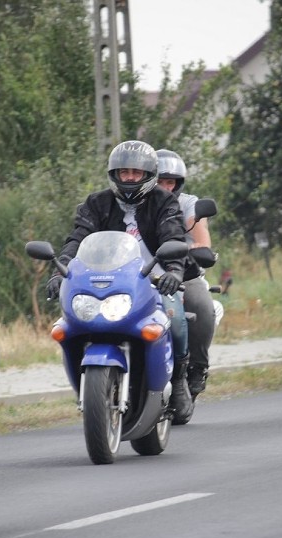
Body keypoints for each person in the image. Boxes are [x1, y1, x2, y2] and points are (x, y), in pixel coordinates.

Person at [46, 140, 193, 421]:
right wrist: (59, 272)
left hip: (155, 276)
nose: (129, 178)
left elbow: (173, 237)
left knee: (174, 320)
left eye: (136, 173)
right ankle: (90, 389)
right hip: (110, 278)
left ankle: (180, 381)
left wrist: (174, 271)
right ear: (114, 174)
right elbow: (77, 239)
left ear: (148, 175)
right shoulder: (95, 203)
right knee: (72, 325)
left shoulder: (164, 201)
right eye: (124, 172)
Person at [155, 149, 216, 400]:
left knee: (202, 305)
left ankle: (197, 367)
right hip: (140, 276)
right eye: (159, 181)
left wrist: (184, 251)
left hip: (184, 274)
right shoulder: (132, 205)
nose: (165, 187)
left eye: (170, 182)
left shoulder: (187, 203)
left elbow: (202, 242)